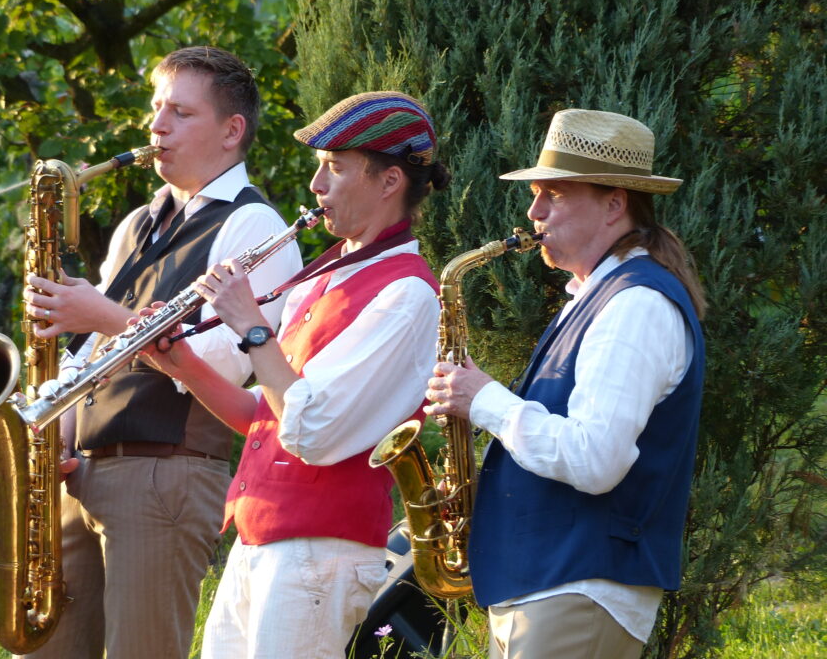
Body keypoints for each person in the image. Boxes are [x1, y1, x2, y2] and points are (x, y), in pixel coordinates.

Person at [140, 91, 452, 659]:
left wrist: (253, 328)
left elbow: (312, 431)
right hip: (263, 537)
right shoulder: (323, 278)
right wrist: (177, 361)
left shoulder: (406, 295)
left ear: (389, 183)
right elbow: (263, 417)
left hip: (319, 551)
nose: (316, 186)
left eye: (334, 167)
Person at [19, 46, 303, 659]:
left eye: (179, 112)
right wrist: (51, 437)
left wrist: (105, 314)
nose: (156, 127)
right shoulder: (138, 225)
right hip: (83, 469)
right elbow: (92, 352)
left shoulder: (256, 227)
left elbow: (229, 363)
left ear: (232, 131)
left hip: (166, 472)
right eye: (155, 109)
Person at [424, 109, 706, 659]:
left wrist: (485, 401)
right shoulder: (601, 294)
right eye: (535, 195)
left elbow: (595, 460)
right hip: (552, 587)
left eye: (553, 194)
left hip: (578, 590)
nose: (533, 212)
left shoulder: (636, 305)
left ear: (614, 204)